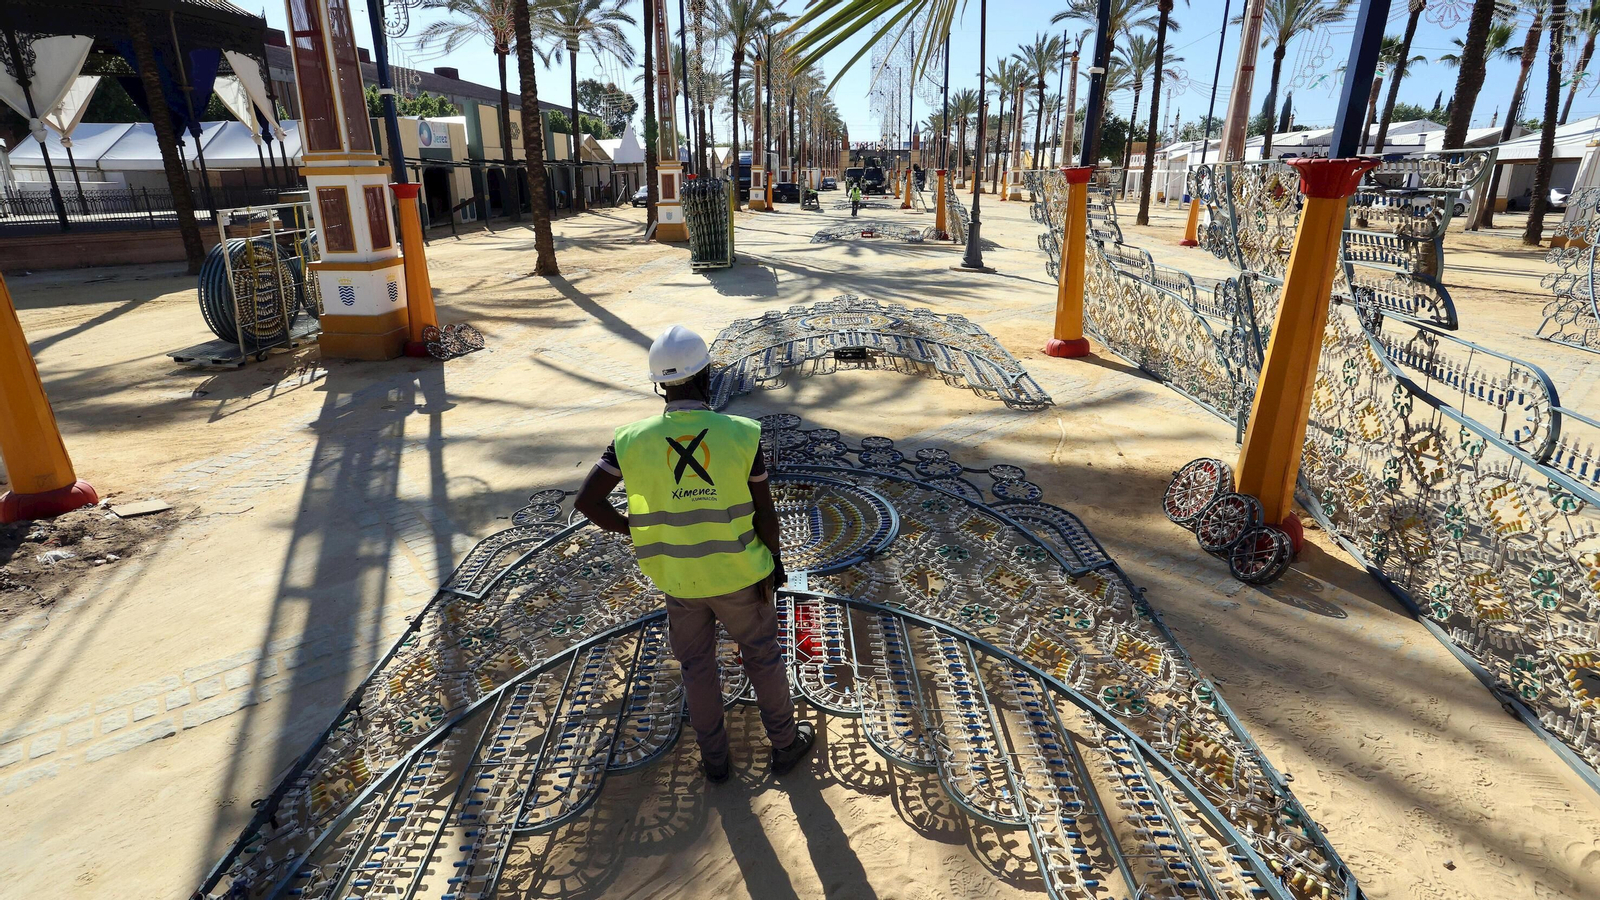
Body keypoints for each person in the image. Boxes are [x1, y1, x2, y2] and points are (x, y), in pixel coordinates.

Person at [574, 325, 816, 784]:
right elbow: (765, 513)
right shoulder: (741, 434)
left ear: (660, 385)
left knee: (697, 666)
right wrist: (775, 562)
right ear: (706, 376)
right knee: (761, 656)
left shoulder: (629, 440)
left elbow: (588, 502)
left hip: (679, 579)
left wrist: (639, 532)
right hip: (740, 573)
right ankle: (785, 744)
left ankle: (715, 759)